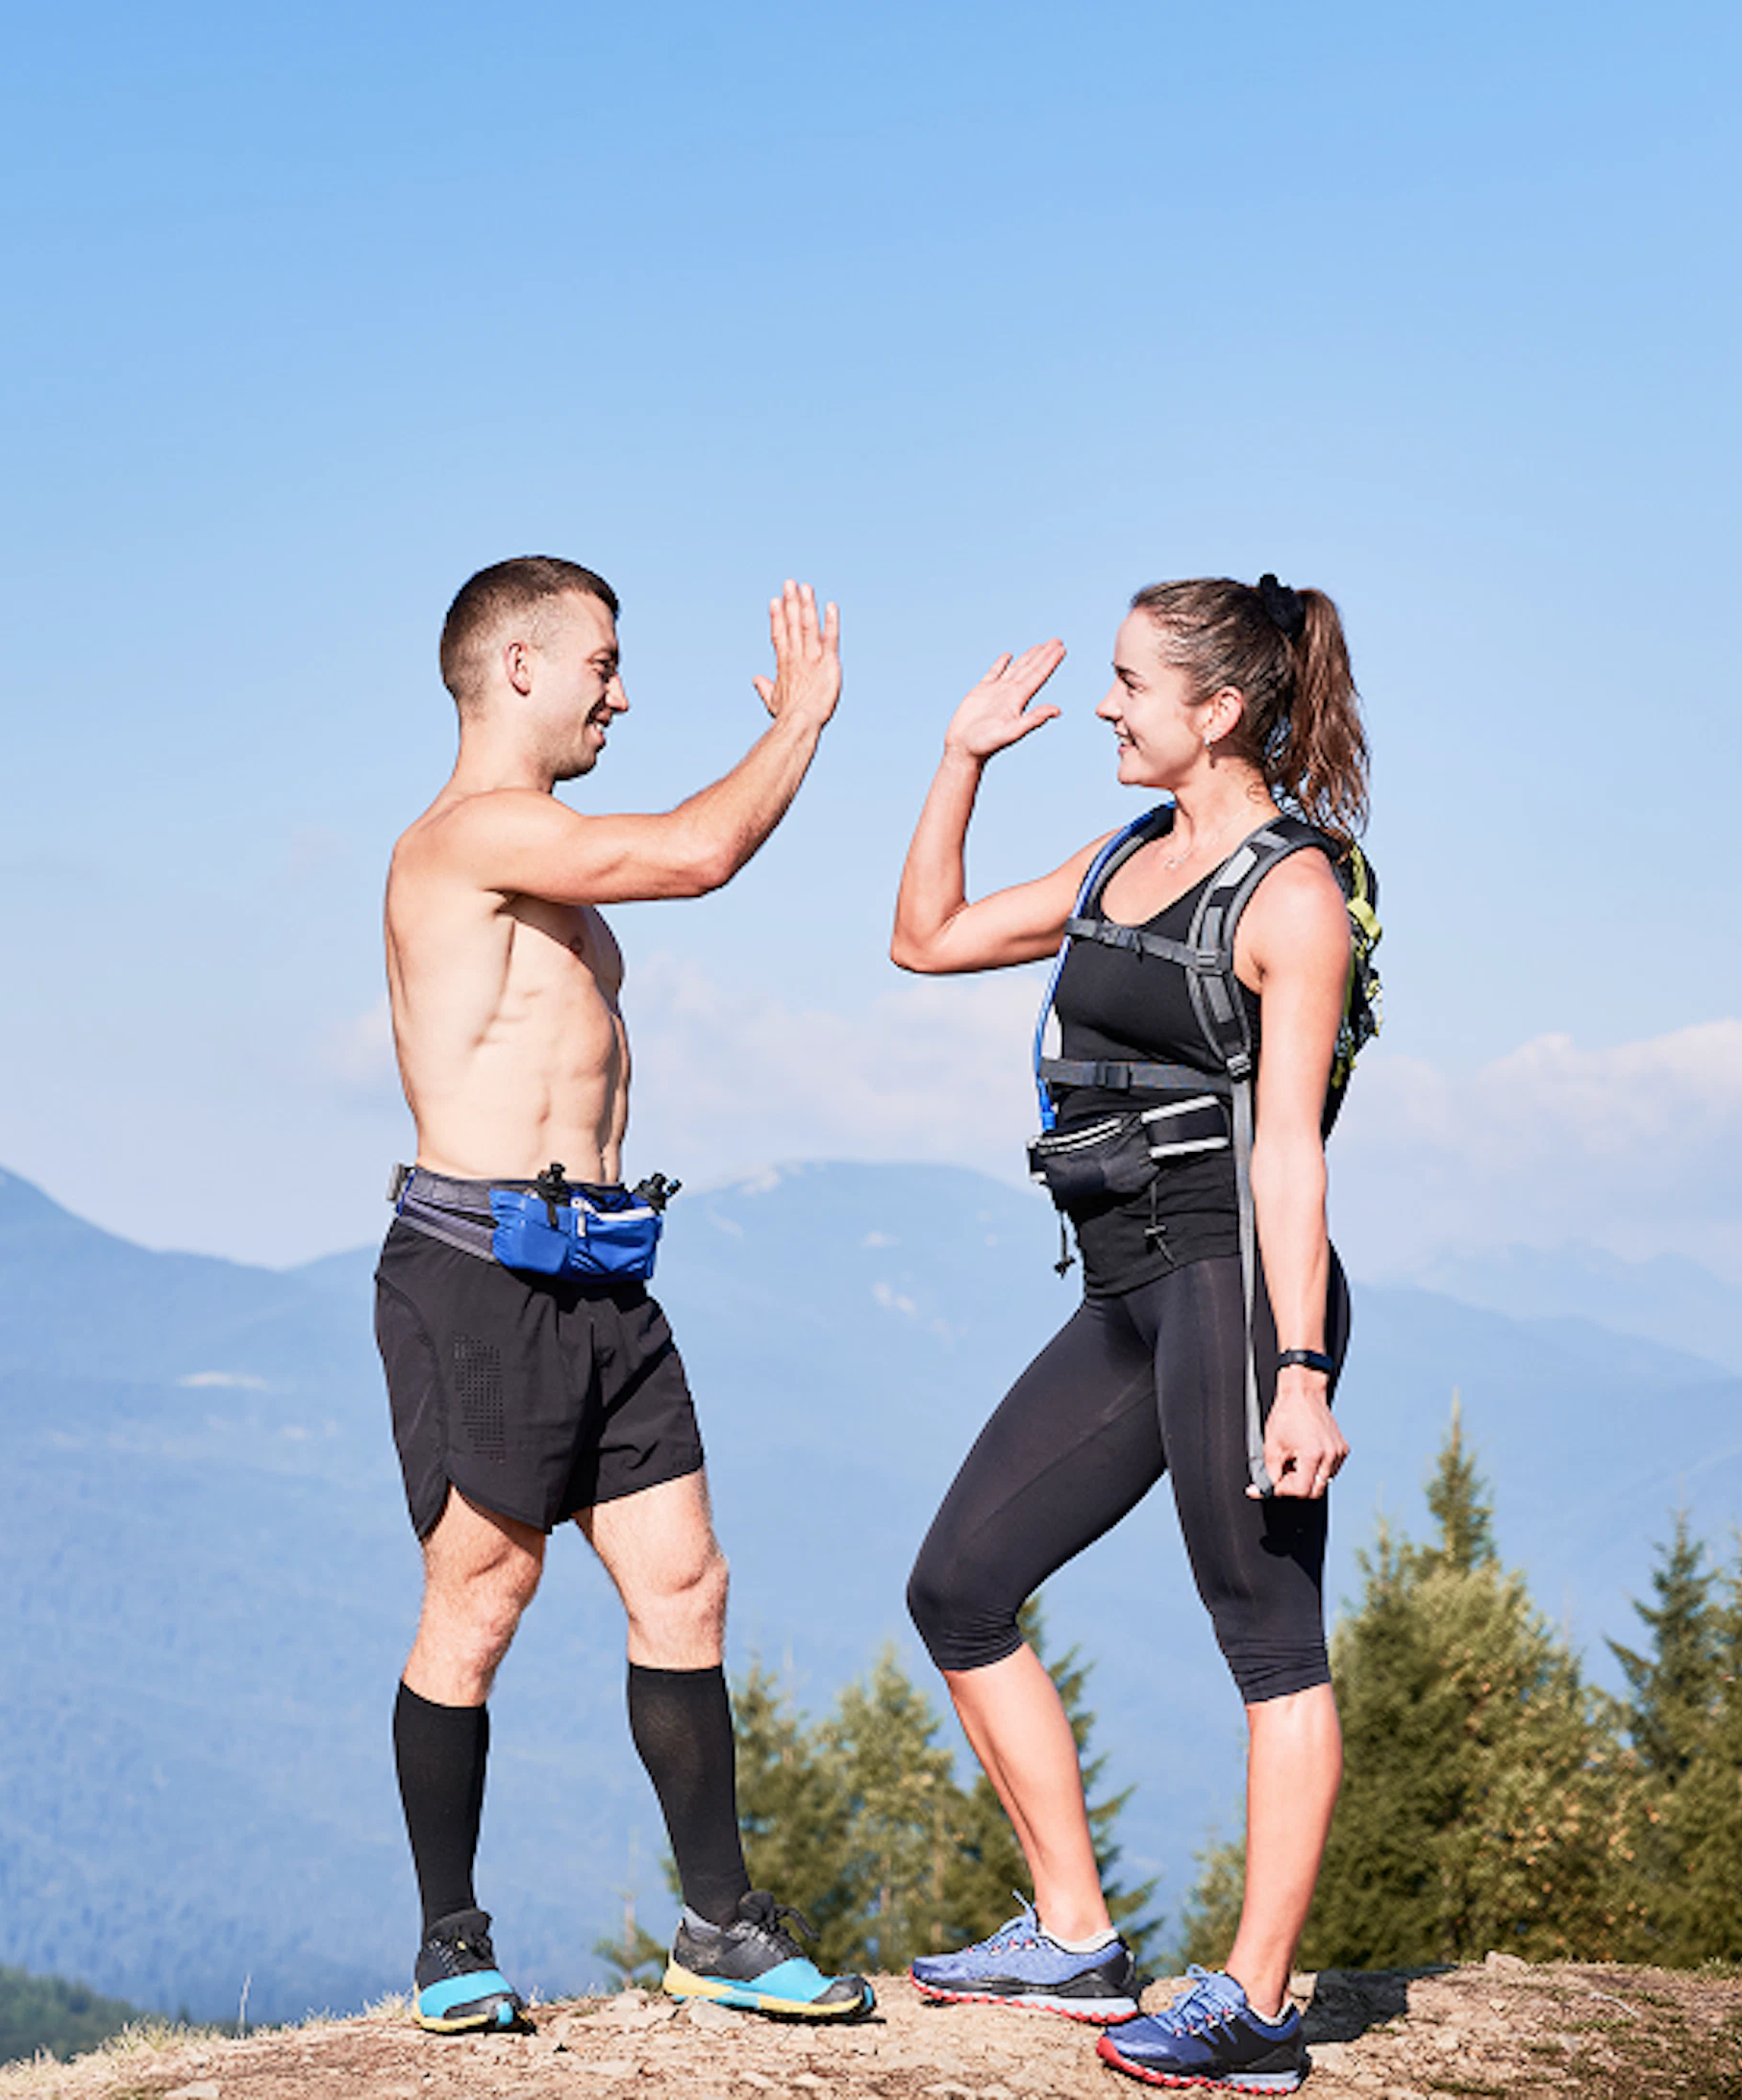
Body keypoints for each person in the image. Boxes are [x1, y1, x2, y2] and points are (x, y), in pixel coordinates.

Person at [376, 556, 875, 2033]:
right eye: (601, 660)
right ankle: (452, 1945)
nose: (622, 688)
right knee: (482, 1595)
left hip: (603, 1269)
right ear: (517, 667)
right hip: (478, 1273)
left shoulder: (542, 859)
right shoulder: (466, 840)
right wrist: (804, 724)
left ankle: (720, 1926)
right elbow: (700, 853)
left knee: (686, 1584)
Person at [886, 576, 1371, 2095]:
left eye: (1127, 685)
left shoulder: (1291, 896)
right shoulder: (1120, 859)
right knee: (958, 1584)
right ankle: (1076, 1938)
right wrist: (960, 757)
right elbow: (929, 938)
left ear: (1216, 712)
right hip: (1123, 1290)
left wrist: (1300, 1372)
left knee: (1269, 1641)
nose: (1103, 706)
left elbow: (1291, 1150)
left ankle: (1262, 2008)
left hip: (1241, 1293)